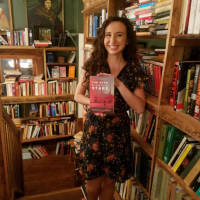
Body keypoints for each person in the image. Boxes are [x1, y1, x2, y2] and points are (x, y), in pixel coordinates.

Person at [74, 16, 146, 200]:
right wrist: (94, 104)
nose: (112, 41)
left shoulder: (133, 69)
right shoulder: (93, 63)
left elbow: (139, 107)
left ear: (127, 39)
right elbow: (77, 95)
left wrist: (118, 84)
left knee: (109, 183)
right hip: (94, 130)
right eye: (108, 35)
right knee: (92, 184)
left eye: (119, 35)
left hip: (117, 133)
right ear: (102, 38)